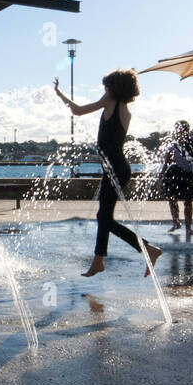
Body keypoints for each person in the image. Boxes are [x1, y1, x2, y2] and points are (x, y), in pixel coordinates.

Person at [55, 70, 162, 277]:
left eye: (107, 87)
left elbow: (77, 110)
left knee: (104, 217)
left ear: (113, 88)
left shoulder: (110, 102)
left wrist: (60, 94)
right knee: (104, 216)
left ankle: (147, 249)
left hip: (115, 169)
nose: (104, 90)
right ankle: (99, 260)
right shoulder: (125, 109)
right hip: (117, 168)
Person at [158, 120, 193, 235]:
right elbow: (166, 162)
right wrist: (162, 172)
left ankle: (188, 227)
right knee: (172, 199)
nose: (178, 131)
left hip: (189, 175)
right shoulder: (173, 146)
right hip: (174, 174)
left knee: (188, 201)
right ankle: (176, 222)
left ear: (187, 131)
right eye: (177, 129)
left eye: (181, 129)